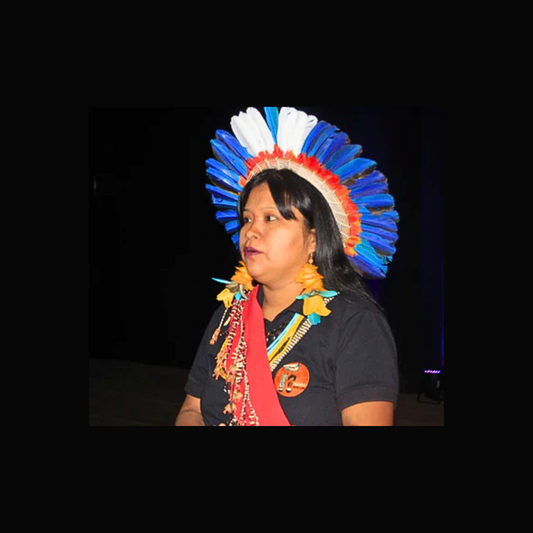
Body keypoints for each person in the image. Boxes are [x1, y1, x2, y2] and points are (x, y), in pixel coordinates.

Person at [175, 107, 400, 426]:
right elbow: (191, 410)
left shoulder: (355, 324)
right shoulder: (229, 315)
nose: (251, 231)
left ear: (313, 238)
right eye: (247, 219)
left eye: (271, 218)